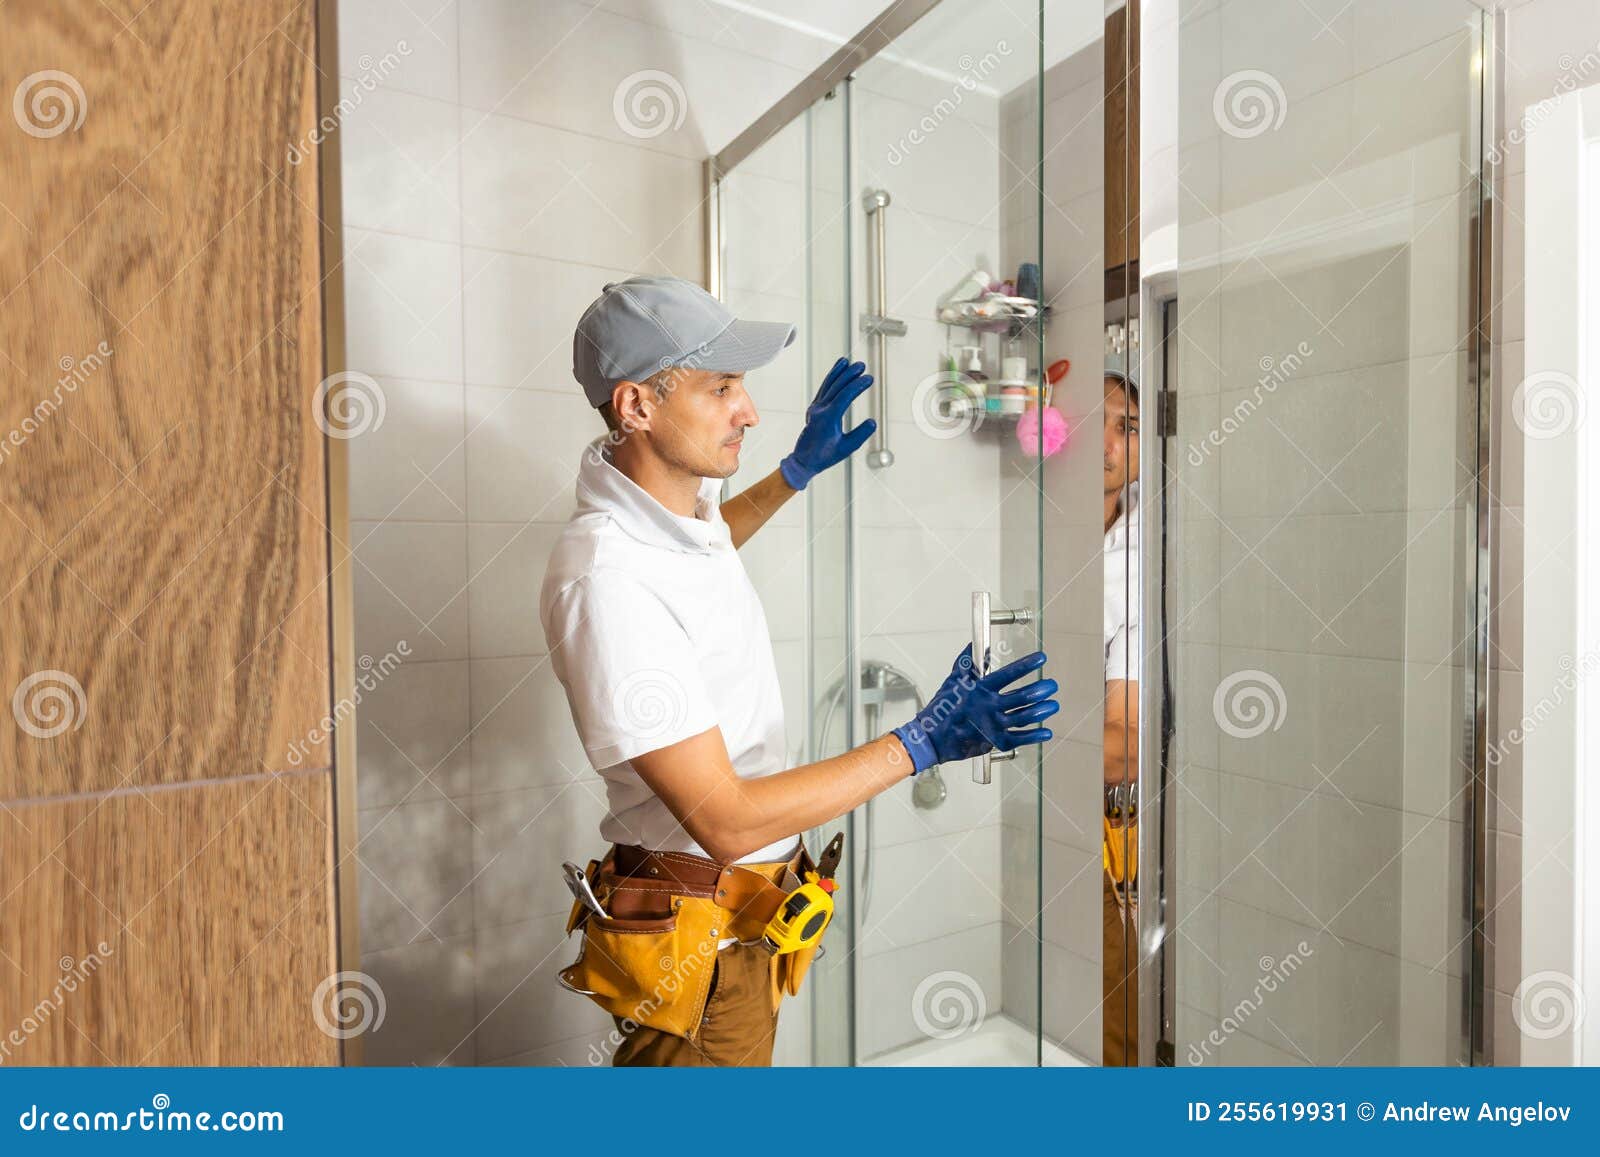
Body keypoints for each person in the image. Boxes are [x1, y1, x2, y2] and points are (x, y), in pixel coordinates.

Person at [539, 275, 1061, 1067]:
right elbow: (728, 821)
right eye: (721, 389)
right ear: (635, 405)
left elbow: (704, 561)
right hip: (699, 956)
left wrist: (792, 473)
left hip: (738, 932)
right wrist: (918, 743)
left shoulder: (669, 518)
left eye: (741, 386)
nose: (747, 410)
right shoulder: (605, 579)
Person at [1102, 368, 1140, 1065]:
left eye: (1127, 427)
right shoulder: (1018, 516)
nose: (1108, 442)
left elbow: (1127, 744)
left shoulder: (1142, 550)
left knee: (1112, 1027)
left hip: (1108, 826)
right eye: (1093, 420)